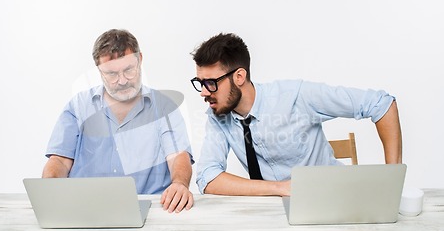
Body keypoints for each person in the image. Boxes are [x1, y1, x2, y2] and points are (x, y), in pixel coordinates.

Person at [190, 32, 402, 196]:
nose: (204, 92)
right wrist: (279, 189)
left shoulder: (295, 97)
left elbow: (381, 104)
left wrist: (392, 181)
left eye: (211, 83)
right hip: (275, 210)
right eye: (200, 83)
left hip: (331, 197)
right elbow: (208, 178)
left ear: (239, 76)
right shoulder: (218, 115)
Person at [43, 29, 194, 213]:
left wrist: (179, 183)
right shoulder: (78, 106)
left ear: (140, 59)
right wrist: (49, 191)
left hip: (152, 210)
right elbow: (60, 161)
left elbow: (178, 156)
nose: (122, 81)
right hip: (85, 209)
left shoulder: (164, 108)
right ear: (99, 70)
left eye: (129, 70)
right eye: (112, 74)